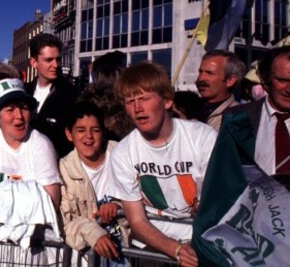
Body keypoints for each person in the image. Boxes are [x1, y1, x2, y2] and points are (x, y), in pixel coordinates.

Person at [107, 62, 217, 267]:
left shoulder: (202, 138)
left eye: (144, 99)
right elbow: (137, 222)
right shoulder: (123, 153)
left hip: (203, 237)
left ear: (167, 101)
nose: (137, 108)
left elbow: (219, 200)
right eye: (130, 102)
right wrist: (176, 250)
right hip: (152, 246)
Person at [0, 77, 61, 265]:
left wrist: (6, 195)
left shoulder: (41, 144)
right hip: (2, 243)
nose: (19, 116)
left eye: (24, 108)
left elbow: (51, 200)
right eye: (10, 109)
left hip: (36, 244)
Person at [59, 102, 128, 266]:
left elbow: (144, 198)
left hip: (128, 247)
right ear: (69, 134)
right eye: (81, 130)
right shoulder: (65, 169)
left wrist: (119, 206)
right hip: (87, 255)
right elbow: (65, 225)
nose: (88, 136)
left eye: (95, 130)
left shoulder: (122, 154)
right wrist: (93, 233)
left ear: (103, 132)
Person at [221, 45, 290, 175]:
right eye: (282, 80)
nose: (289, 89)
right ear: (265, 78)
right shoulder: (236, 118)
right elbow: (225, 174)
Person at [24, 33, 78, 157]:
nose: (56, 65)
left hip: (57, 165)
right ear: (34, 62)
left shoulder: (71, 95)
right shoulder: (23, 92)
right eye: (49, 60)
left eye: (58, 59)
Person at [195, 50, 245, 130]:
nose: (201, 78)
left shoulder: (238, 116)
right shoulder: (189, 109)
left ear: (230, 80)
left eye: (210, 73)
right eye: (200, 72)